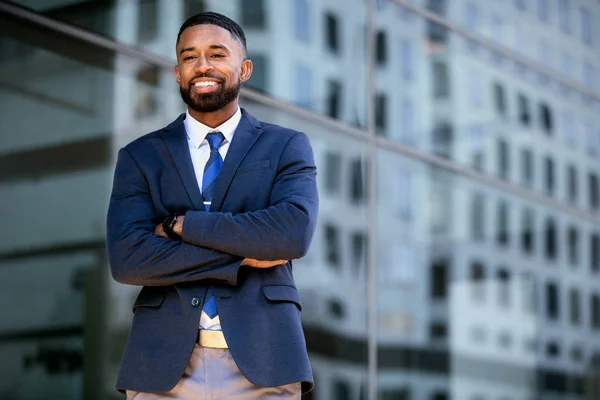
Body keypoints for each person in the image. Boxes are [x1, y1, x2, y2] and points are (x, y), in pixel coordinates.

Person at [106, 11, 318, 399]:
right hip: (162, 365)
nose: (202, 65)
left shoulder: (286, 145)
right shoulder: (141, 156)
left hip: (264, 361)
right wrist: (241, 257)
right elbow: (128, 258)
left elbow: (291, 234)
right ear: (176, 73)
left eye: (217, 54)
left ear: (245, 68)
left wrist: (180, 226)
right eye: (189, 57)